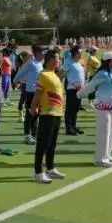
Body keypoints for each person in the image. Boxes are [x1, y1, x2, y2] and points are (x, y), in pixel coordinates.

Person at [29, 50, 66, 184]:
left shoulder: (55, 75)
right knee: (43, 144)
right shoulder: (43, 75)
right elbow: (38, 94)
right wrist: (33, 108)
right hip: (47, 113)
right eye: (57, 59)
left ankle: (50, 168)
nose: (59, 61)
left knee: (52, 144)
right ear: (50, 59)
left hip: (57, 113)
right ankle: (38, 172)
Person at [82, 52, 112, 166]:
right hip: (102, 107)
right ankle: (100, 159)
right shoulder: (102, 74)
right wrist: (79, 95)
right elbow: (90, 87)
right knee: (104, 133)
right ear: (109, 62)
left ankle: (107, 155)